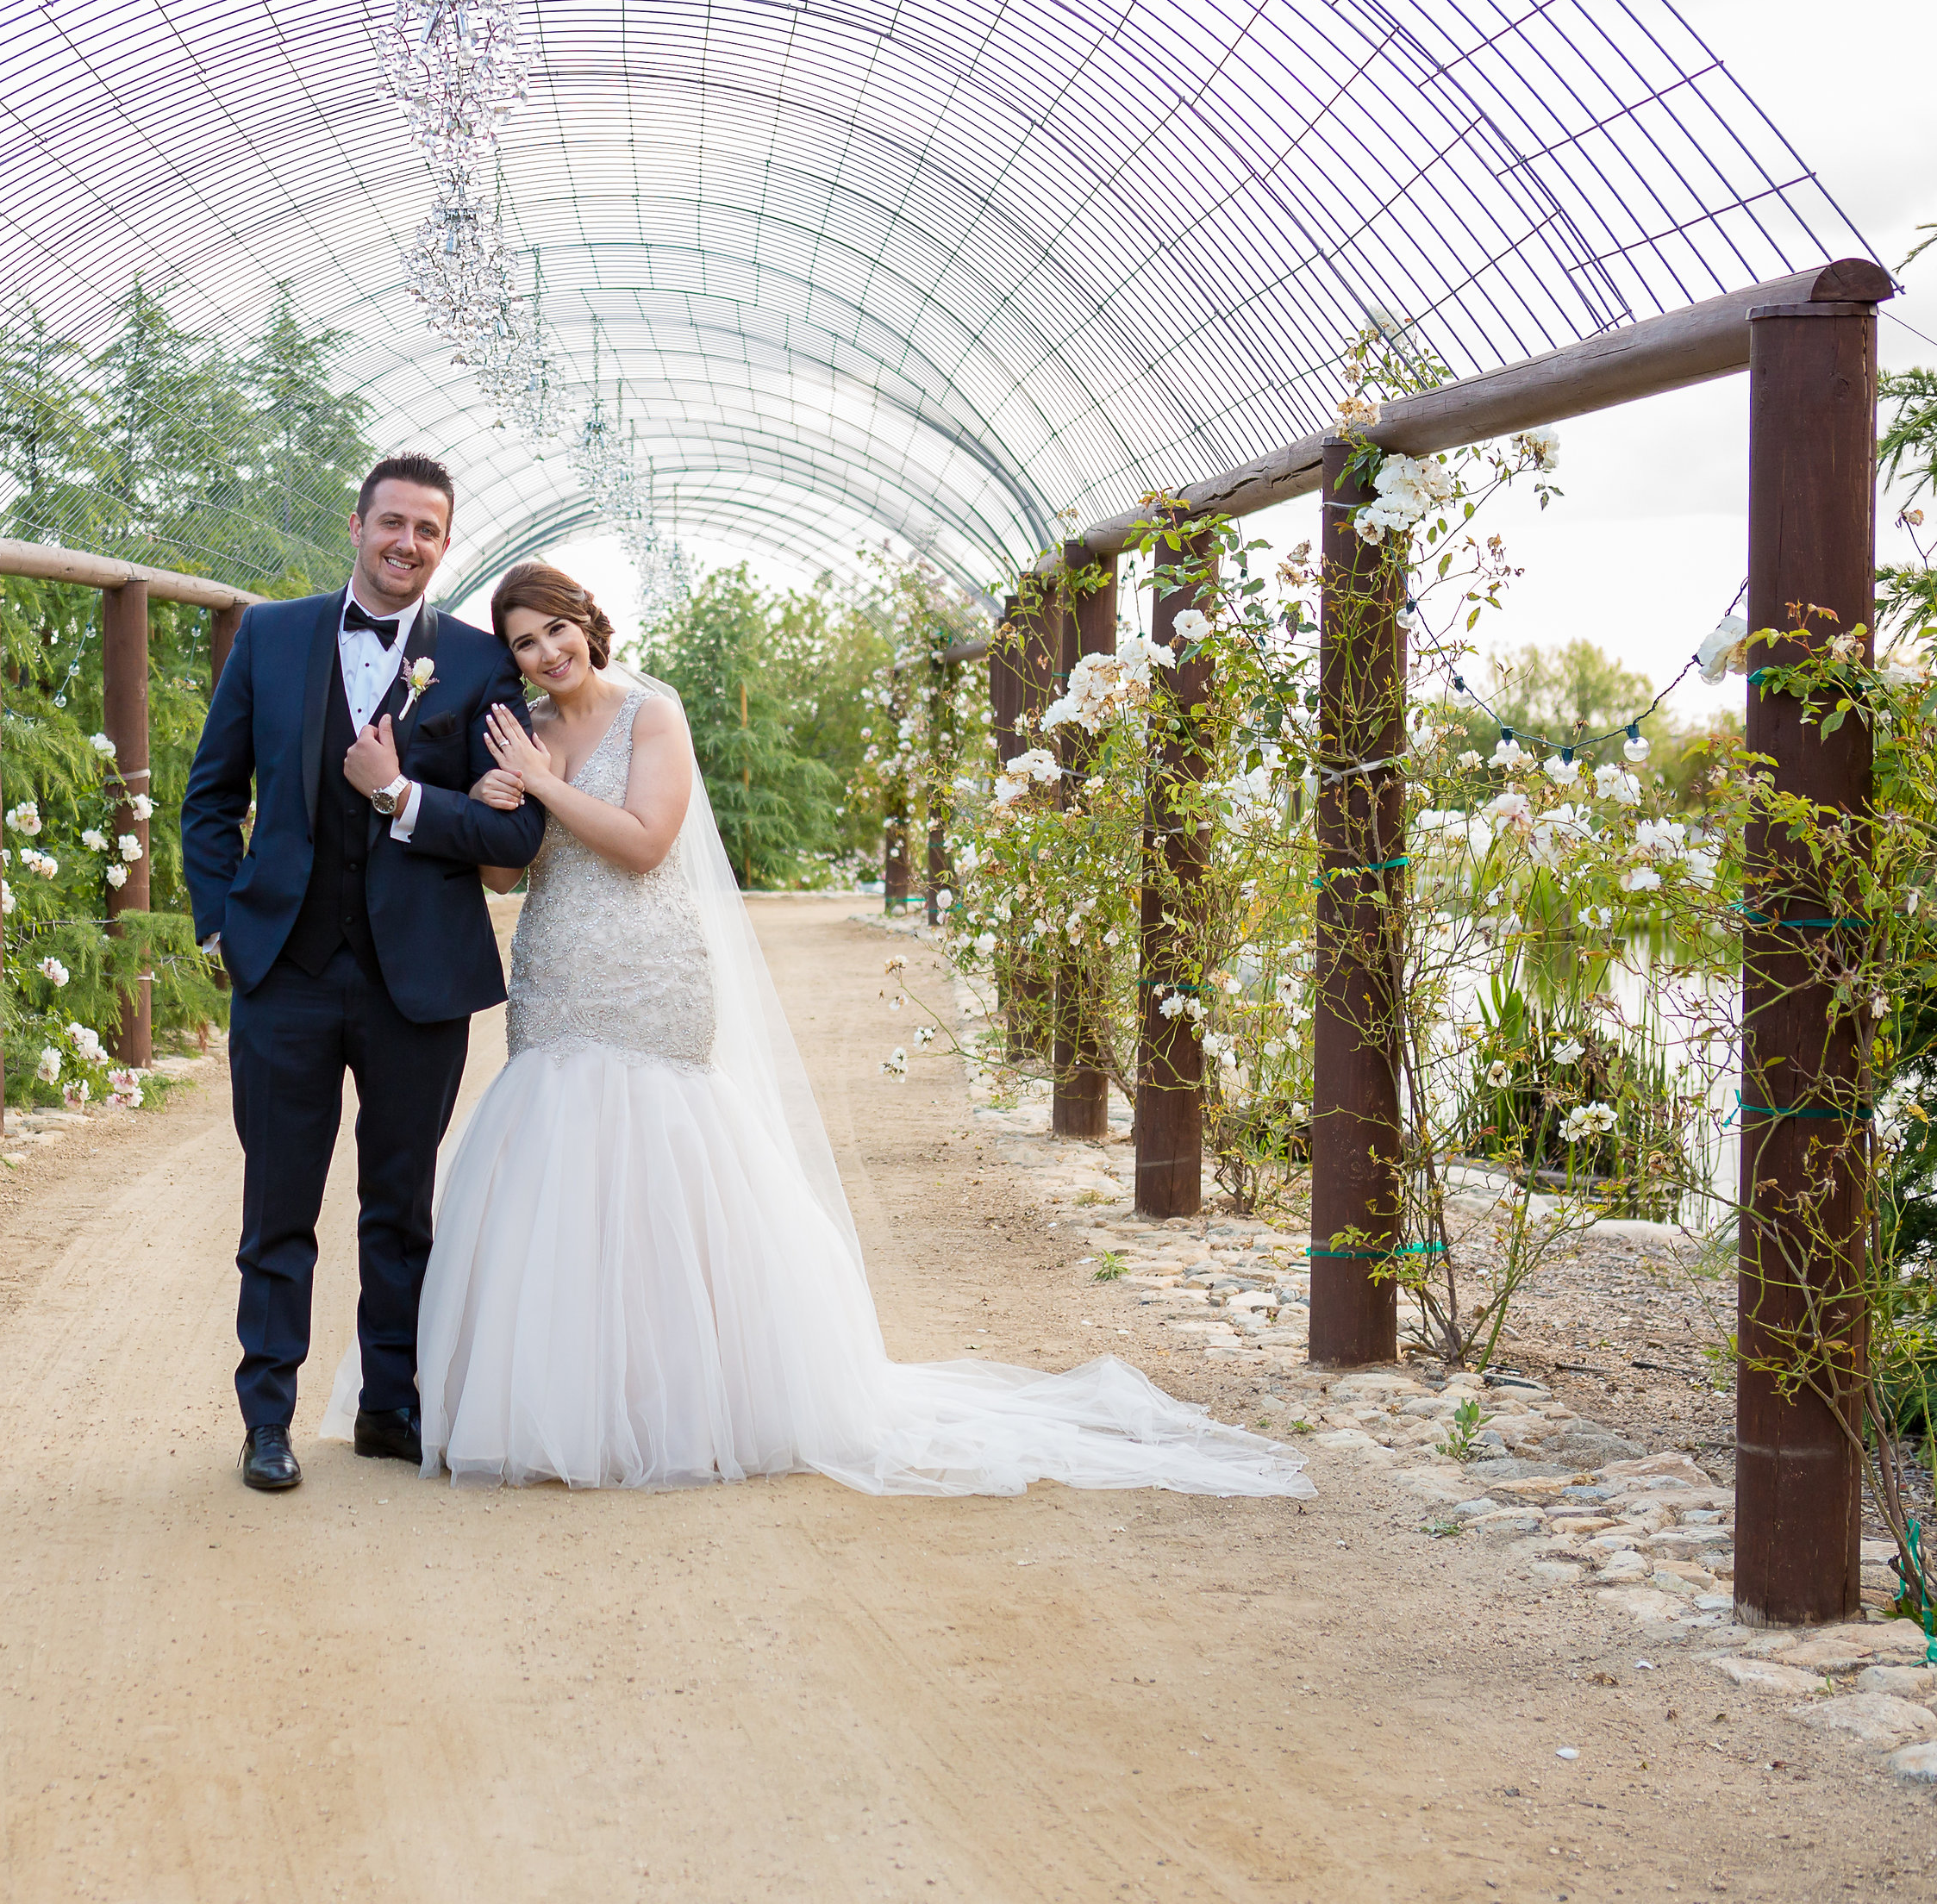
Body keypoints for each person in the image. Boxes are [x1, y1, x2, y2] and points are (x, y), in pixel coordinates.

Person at [321, 561, 1313, 1500]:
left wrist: (539, 786)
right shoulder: (522, 729)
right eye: (524, 641)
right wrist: (498, 798)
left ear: (590, 625)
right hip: (557, 968)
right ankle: (560, 1405)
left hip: (650, 969)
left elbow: (644, 843)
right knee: (553, 1175)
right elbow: (505, 872)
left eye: (558, 630)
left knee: (664, 1173)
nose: (546, 654)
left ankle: (676, 1409)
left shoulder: (650, 715)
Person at [178, 455, 547, 1493]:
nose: (408, 545)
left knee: (401, 1204)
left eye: (429, 531)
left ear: (444, 543)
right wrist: (223, 931)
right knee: (278, 1204)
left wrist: (404, 800)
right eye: (393, 523)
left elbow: (514, 830)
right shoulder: (273, 634)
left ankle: (390, 1406)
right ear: (357, 525)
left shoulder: (478, 665)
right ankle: (268, 1422)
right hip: (284, 974)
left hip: (415, 980)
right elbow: (210, 800)